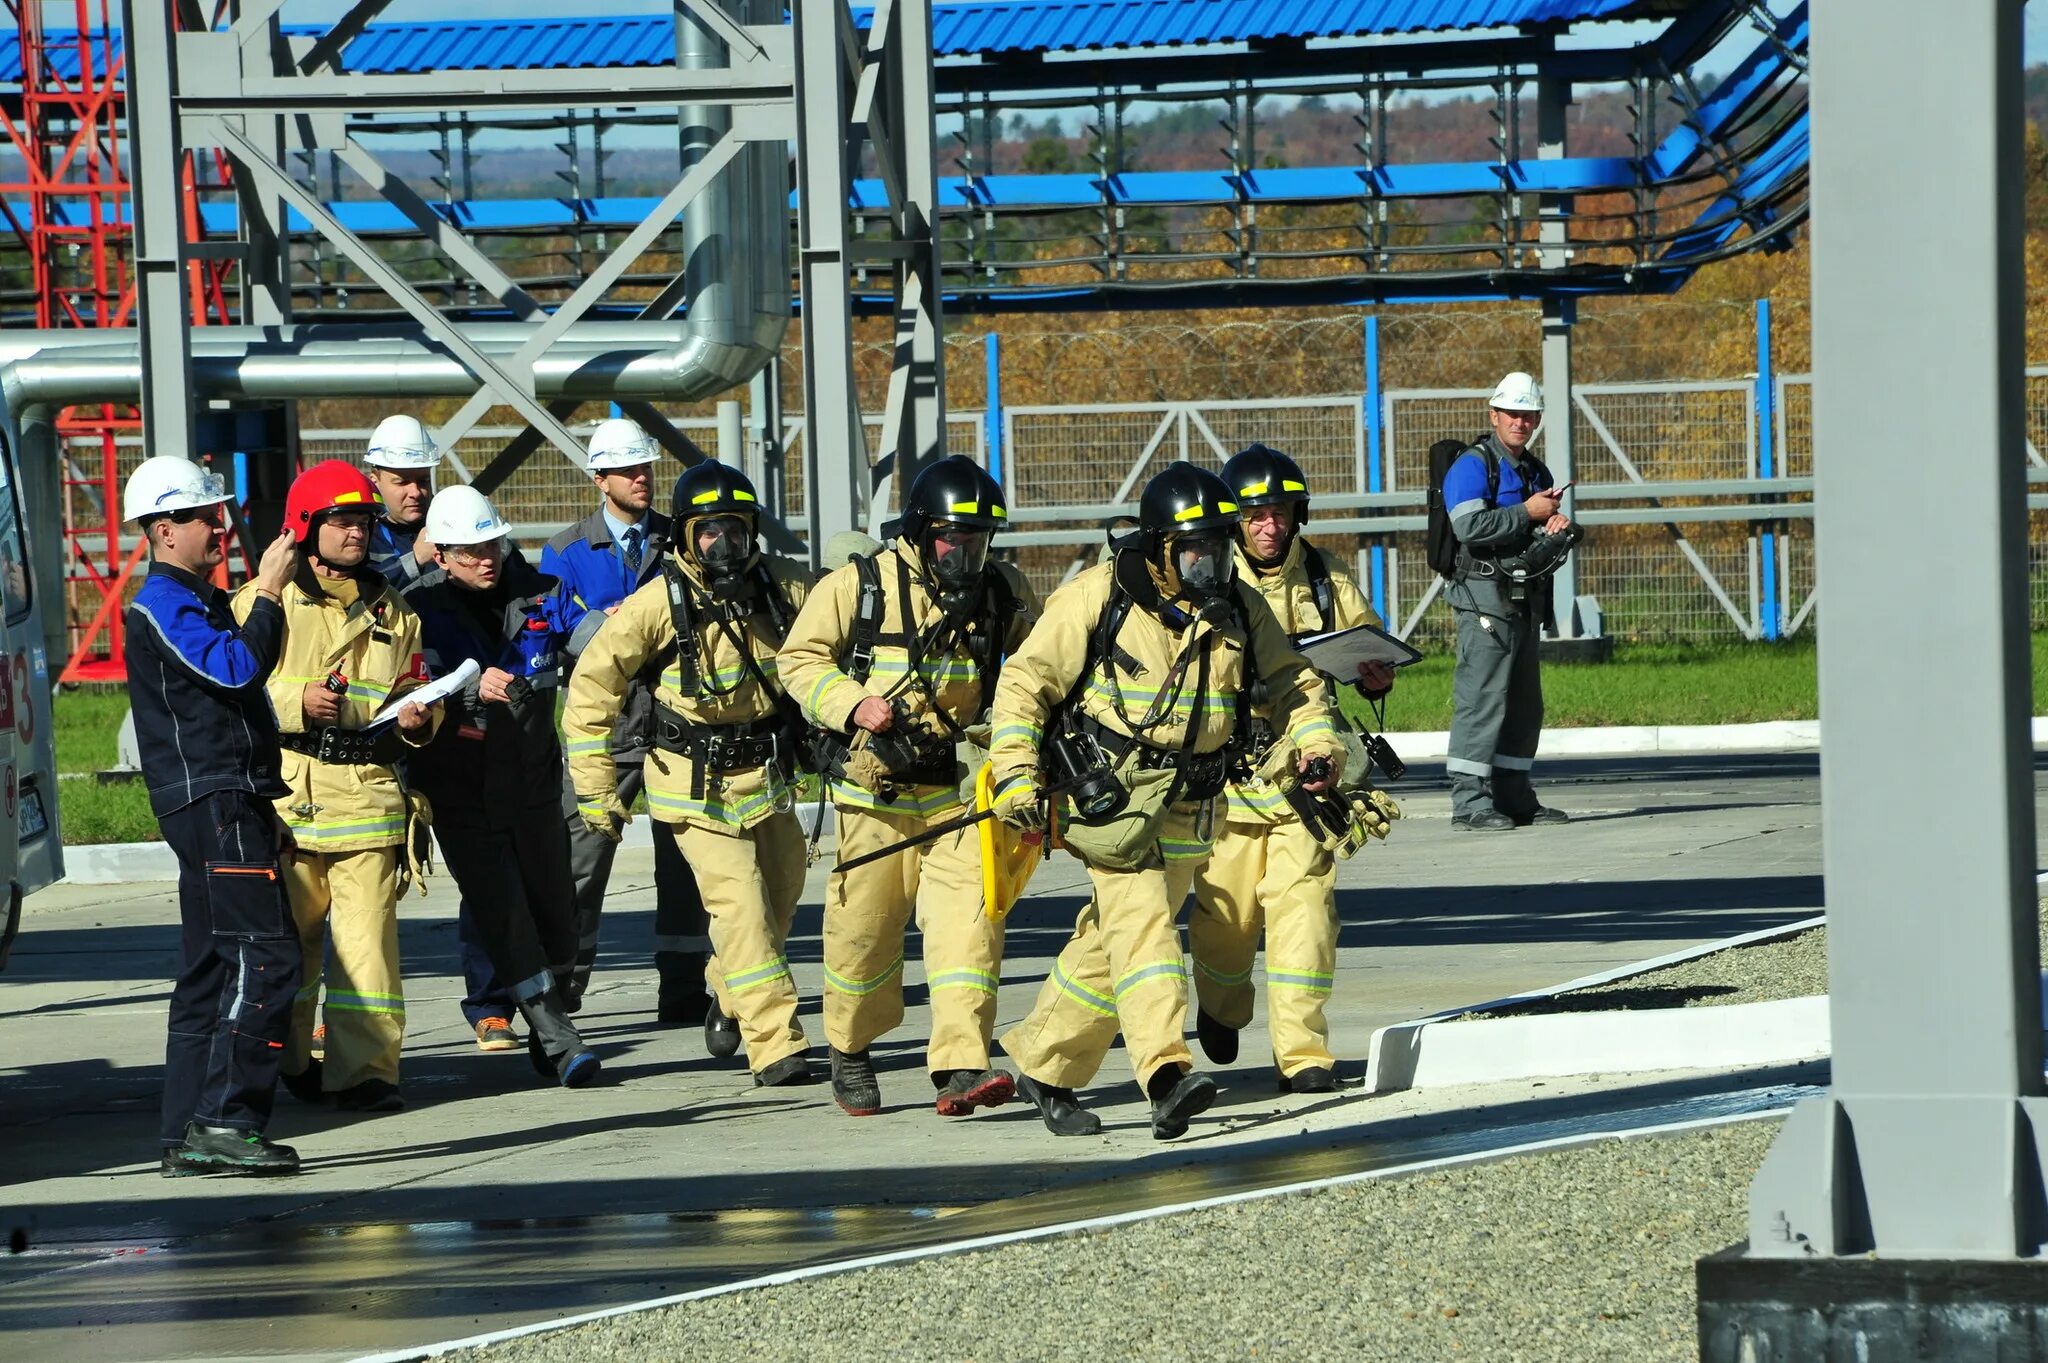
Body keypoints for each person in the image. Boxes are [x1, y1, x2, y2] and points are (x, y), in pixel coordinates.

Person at [989, 461, 1344, 1140]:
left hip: (1193, 804)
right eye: (1194, 549)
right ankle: (1167, 1075)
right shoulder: (1097, 597)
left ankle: (1045, 1065)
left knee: (1110, 945)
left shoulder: (1237, 603)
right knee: (1148, 928)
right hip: (1110, 802)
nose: (1210, 561)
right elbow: (1024, 685)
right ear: (1158, 548)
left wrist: (1316, 745)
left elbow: (1296, 682)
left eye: (1218, 545)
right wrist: (1014, 775)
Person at [778, 455, 1038, 1119]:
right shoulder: (858, 586)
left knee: (970, 931)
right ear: (922, 531)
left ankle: (961, 1064)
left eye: (979, 540)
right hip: (875, 798)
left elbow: (1042, 665)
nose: (966, 553)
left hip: (958, 795)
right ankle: (851, 1048)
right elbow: (798, 659)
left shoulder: (1003, 592)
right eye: (954, 538)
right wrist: (851, 702)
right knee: (863, 933)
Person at [564, 462, 816, 1087]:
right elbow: (590, 693)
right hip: (691, 784)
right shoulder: (656, 603)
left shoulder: (784, 589)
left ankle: (726, 995)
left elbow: (842, 625)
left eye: (735, 528)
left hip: (769, 778)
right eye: (708, 531)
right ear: (684, 537)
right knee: (743, 913)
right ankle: (776, 1045)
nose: (723, 544)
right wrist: (598, 796)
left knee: (780, 905)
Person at [232, 462, 438, 1114]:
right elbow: (229, 689)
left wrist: (420, 720)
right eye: (343, 521)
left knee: (366, 952)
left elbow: (412, 697)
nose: (357, 533)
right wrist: (297, 700)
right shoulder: (260, 601)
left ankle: (366, 1074)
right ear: (305, 527)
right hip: (288, 800)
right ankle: (287, 1061)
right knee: (288, 950)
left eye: (364, 521)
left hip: (366, 797)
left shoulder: (396, 613)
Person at [1188, 444, 1393, 1094]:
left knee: (1305, 907)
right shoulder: (1207, 578)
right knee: (1226, 920)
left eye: (1279, 512)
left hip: (1308, 766)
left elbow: (1369, 641)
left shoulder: (1330, 579)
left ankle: (1303, 1055)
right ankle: (1221, 1008)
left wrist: (1374, 674)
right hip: (1230, 771)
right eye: (1255, 515)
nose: (1270, 526)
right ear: (1235, 521)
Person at [122, 454, 304, 1176]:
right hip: (213, 800)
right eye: (205, 517)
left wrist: (266, 802)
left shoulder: (190, 599)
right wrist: (267, 592)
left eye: (218, 513)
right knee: (267, 957)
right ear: (165, 530)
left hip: (227, 799)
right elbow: (236, 670)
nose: (219, 527)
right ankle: (226, 1121)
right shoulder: (163, 602)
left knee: (207, 966)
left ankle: (184, 1130)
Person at [403, 486, 599, 1087]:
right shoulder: (414, 609)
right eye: (468, 551)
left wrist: (630, 635)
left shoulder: (542, 593)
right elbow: (404, 688)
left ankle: (550, 1023)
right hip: (461, 792)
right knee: (505, 915)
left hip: (534, 785)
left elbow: (593, 643)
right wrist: (463, 691)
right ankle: (562, 1042)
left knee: (557, 919)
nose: (485, 558)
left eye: (491, 542)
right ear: (440, 554)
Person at [540, 416, 712, 1027]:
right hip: (606, 722)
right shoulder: (564, 551)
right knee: (580, 863)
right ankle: (564, 991)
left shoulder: (680, 538)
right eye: (629, 471)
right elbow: (554, 632)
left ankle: (686, 988)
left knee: (685, 858)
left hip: (674, 715)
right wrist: (613, 630)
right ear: (599, 479)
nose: (643, 479)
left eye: (646, 469)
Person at [1443, 372, 1573, 831]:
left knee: (1523, 704)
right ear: (1494, 414)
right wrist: (1529, 513)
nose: (1521, 422)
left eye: (1528, 415)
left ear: (1537, 418)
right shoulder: (1471, 466)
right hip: (1482, 600)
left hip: (1522, 600)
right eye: (1512, 414)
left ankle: (1515, 796)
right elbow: (1470, 529)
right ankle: (1470, 804)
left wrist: (1549, 526)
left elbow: (1529, 530)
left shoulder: (1537, 472)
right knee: (1482, 699)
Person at [363, 414, 441, 588]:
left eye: (423, 481)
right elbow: (360, 595)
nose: (415, 492)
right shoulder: (360, 535)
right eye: (402, 482)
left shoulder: (452, 523)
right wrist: (416, 559)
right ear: (375, 482)